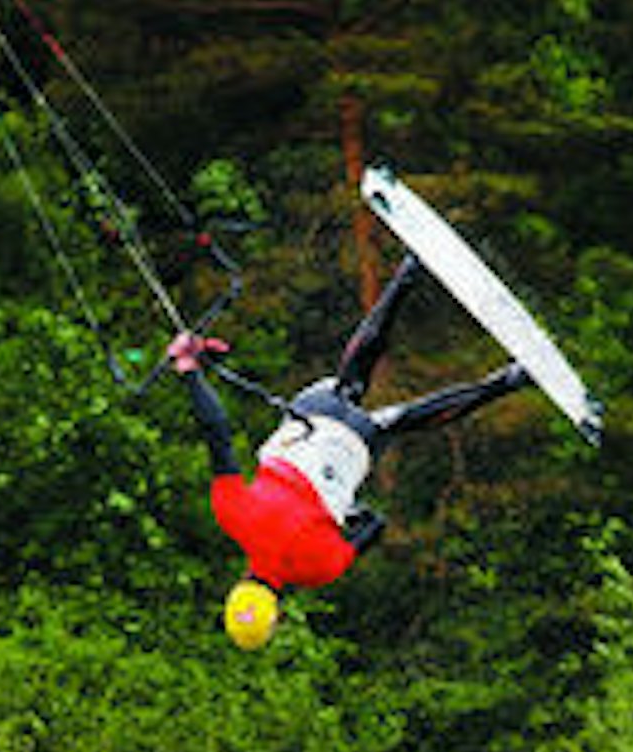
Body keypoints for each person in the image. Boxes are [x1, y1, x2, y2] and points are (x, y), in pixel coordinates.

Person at [167, 254, 531, 648]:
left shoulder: (319, 570)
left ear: (278, 616)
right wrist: (190, 370)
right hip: (310, 413)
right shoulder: (231, 516)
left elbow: (374, 526)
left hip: (353, 444)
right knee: (350, 381)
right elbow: (217, 432)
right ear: (237, 586)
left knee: (401, 420)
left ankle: (509, 380)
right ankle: (408, 273)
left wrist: (351, 513)